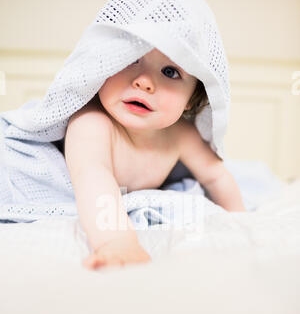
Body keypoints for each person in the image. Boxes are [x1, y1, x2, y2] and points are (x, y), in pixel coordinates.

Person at [64, 48, 245, 271]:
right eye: (129, 59)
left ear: (191, 99)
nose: (144, 82)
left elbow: (216, 176)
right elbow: (91, 175)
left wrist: (240, 221)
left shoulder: (181, 135)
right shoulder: (91, 122)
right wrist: (115, 241)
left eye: (170, 72)